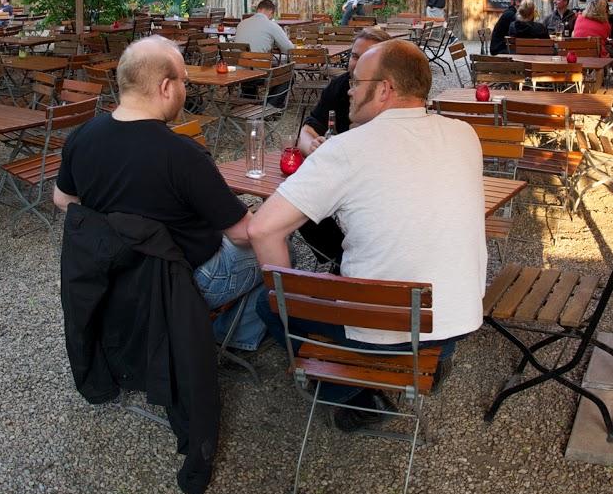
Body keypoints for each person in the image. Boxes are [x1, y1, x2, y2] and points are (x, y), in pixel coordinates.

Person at [247, 40, 485, 430]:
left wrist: (287, 296)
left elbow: (261, 228)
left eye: (357, 82)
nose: (349, 90)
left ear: (385, 89)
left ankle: (352, 396)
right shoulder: (465, 135)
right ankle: (435, 358)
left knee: (266, 302)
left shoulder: (345, 149)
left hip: (380, 332)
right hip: (456, 323)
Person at [53, 35, 267, 352]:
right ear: (165, 88)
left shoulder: (82, 137)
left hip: (116, 278)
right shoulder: (183, 155)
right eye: (184, 81)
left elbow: (62, 199)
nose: (185, 89)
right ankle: (232, 336)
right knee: (275, 241)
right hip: (182, 282)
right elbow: (242, 235)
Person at [294, 27, 391, 264]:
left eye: (366, 57)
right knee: (300, 202)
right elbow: (307, 130)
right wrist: (312, 146)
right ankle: (340, 259)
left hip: (380, 183)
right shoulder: (340, 86)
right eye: (354, 55)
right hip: (342, 177)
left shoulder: (393, 98)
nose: (355, 63)